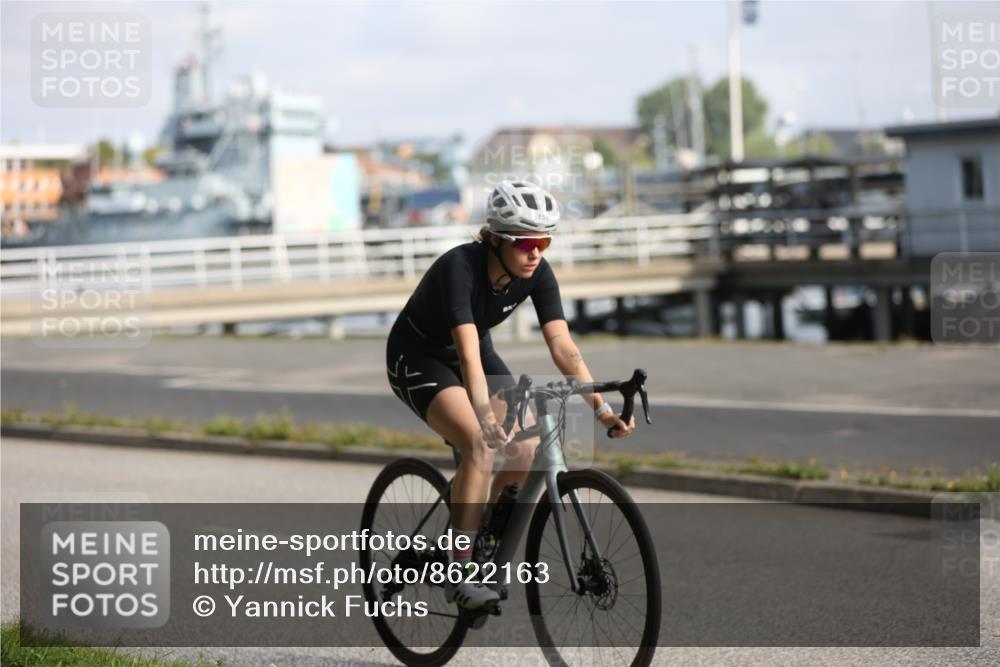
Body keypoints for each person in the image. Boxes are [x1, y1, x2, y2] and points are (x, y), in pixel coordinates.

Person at [385, 180, 635, 609]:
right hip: (419, 357)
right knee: (481, 444)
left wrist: (602, 410)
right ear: (496, 239)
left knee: (527, 446)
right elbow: (467, 358)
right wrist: (484, 416)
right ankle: (459, 572)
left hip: (475, 353)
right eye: (526, 243)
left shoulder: (537, 273)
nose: (536, 252)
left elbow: (563, 348)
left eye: (544, 241)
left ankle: (481, 537)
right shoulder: (459, 268)